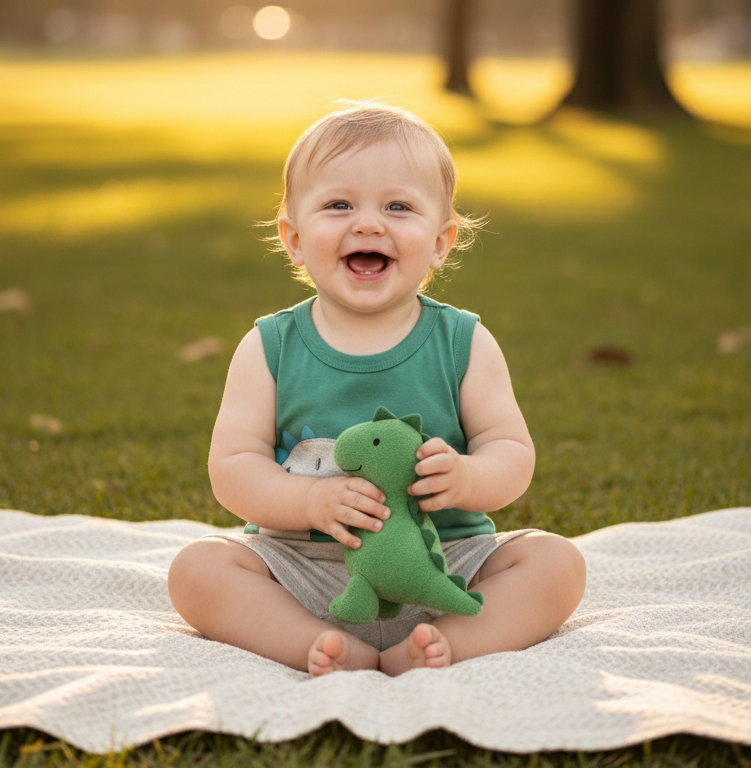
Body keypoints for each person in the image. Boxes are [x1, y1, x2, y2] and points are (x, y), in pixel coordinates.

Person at [168, 102, 586, 677]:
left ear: (440, 242)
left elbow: (511, 451)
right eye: (339, 205)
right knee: (197, 570)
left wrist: (466, 477)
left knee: (556, 562)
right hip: (304, 568)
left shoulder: (463, 341)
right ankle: (315, 641)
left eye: (398, 206)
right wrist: (308, 502)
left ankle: (446, 642)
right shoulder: (270, 346)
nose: (368, 224)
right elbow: (233, 467)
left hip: (443, 563)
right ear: (294, 239)